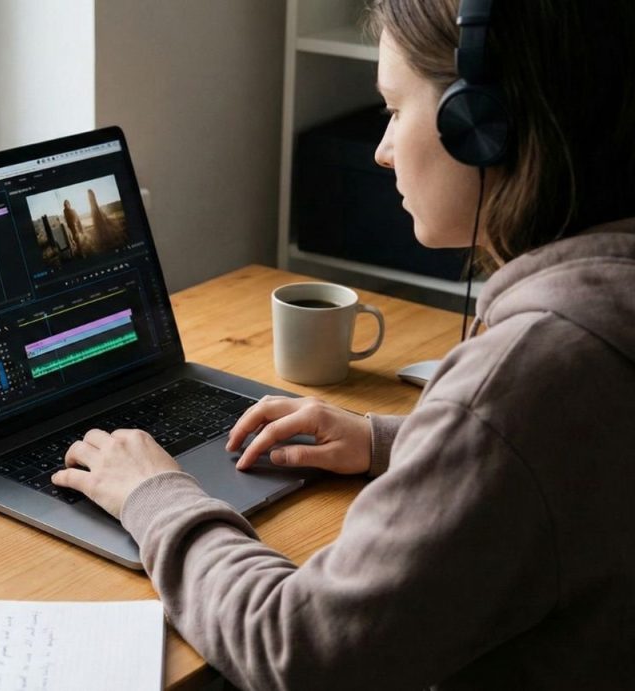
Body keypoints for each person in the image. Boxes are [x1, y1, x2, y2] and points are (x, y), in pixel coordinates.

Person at [51, 0, 635, 688]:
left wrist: (155, 495)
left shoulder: (532, 371)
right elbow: (570, 458)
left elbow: (297, 646)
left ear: (483, 126)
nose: (383, 150)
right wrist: (397, 440)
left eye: (393, 108)